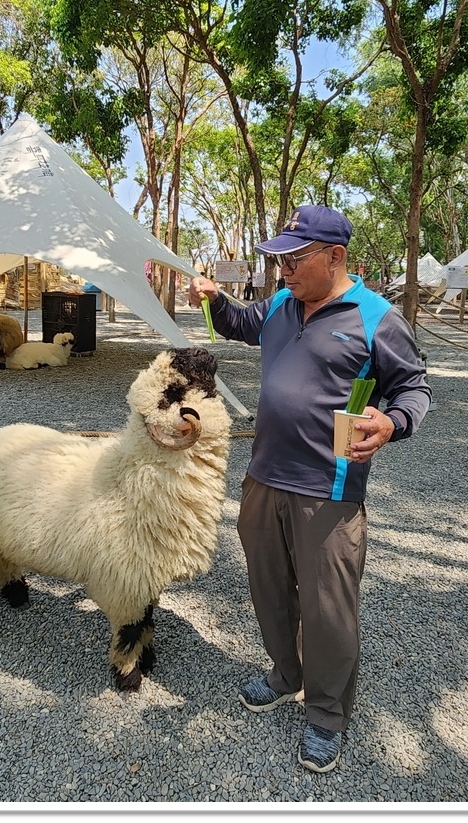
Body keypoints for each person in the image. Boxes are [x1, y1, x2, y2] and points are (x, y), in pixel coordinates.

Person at [188, 204, 431, 774]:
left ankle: (326, 713)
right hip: (263, 476)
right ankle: (284, 672)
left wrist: (392, 422)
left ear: (335, 257)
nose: (284, 272)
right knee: (268, 589)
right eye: (279, 261)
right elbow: (243, 325)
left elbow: (414, 388)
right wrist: (215, 301)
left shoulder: (376, 318)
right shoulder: (280, 303)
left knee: (328, 610)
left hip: (330, 489)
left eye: (295, 260)